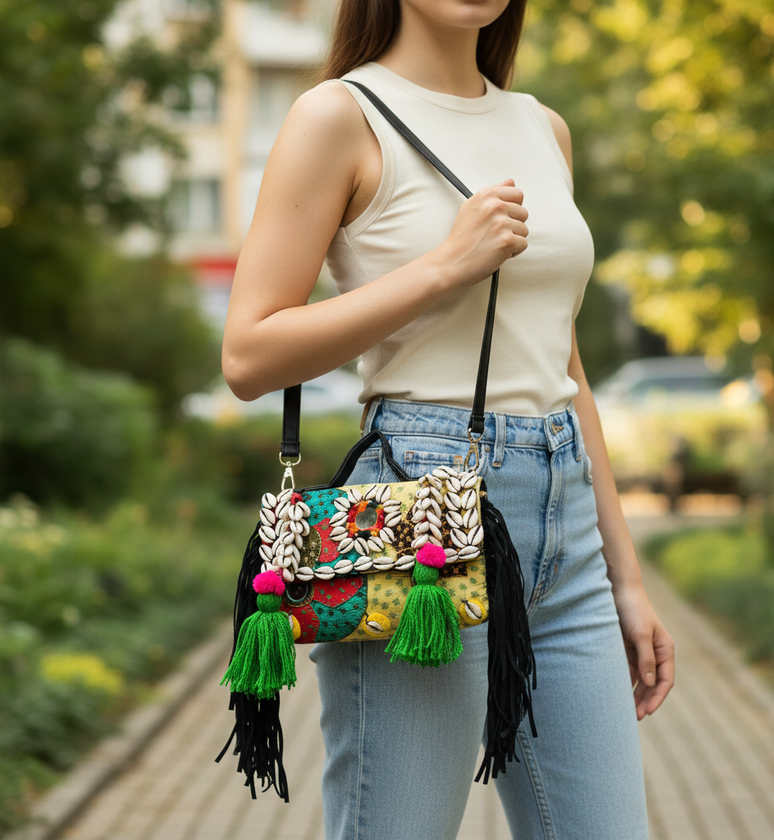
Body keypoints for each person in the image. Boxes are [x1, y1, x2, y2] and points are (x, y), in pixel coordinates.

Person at [222, 0, 675, 837]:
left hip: (564, 524)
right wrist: (443, 268)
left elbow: (561, 361)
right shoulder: (338, 115)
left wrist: (627, 578)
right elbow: (249, 355)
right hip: (419, 519)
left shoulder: (543, 126)